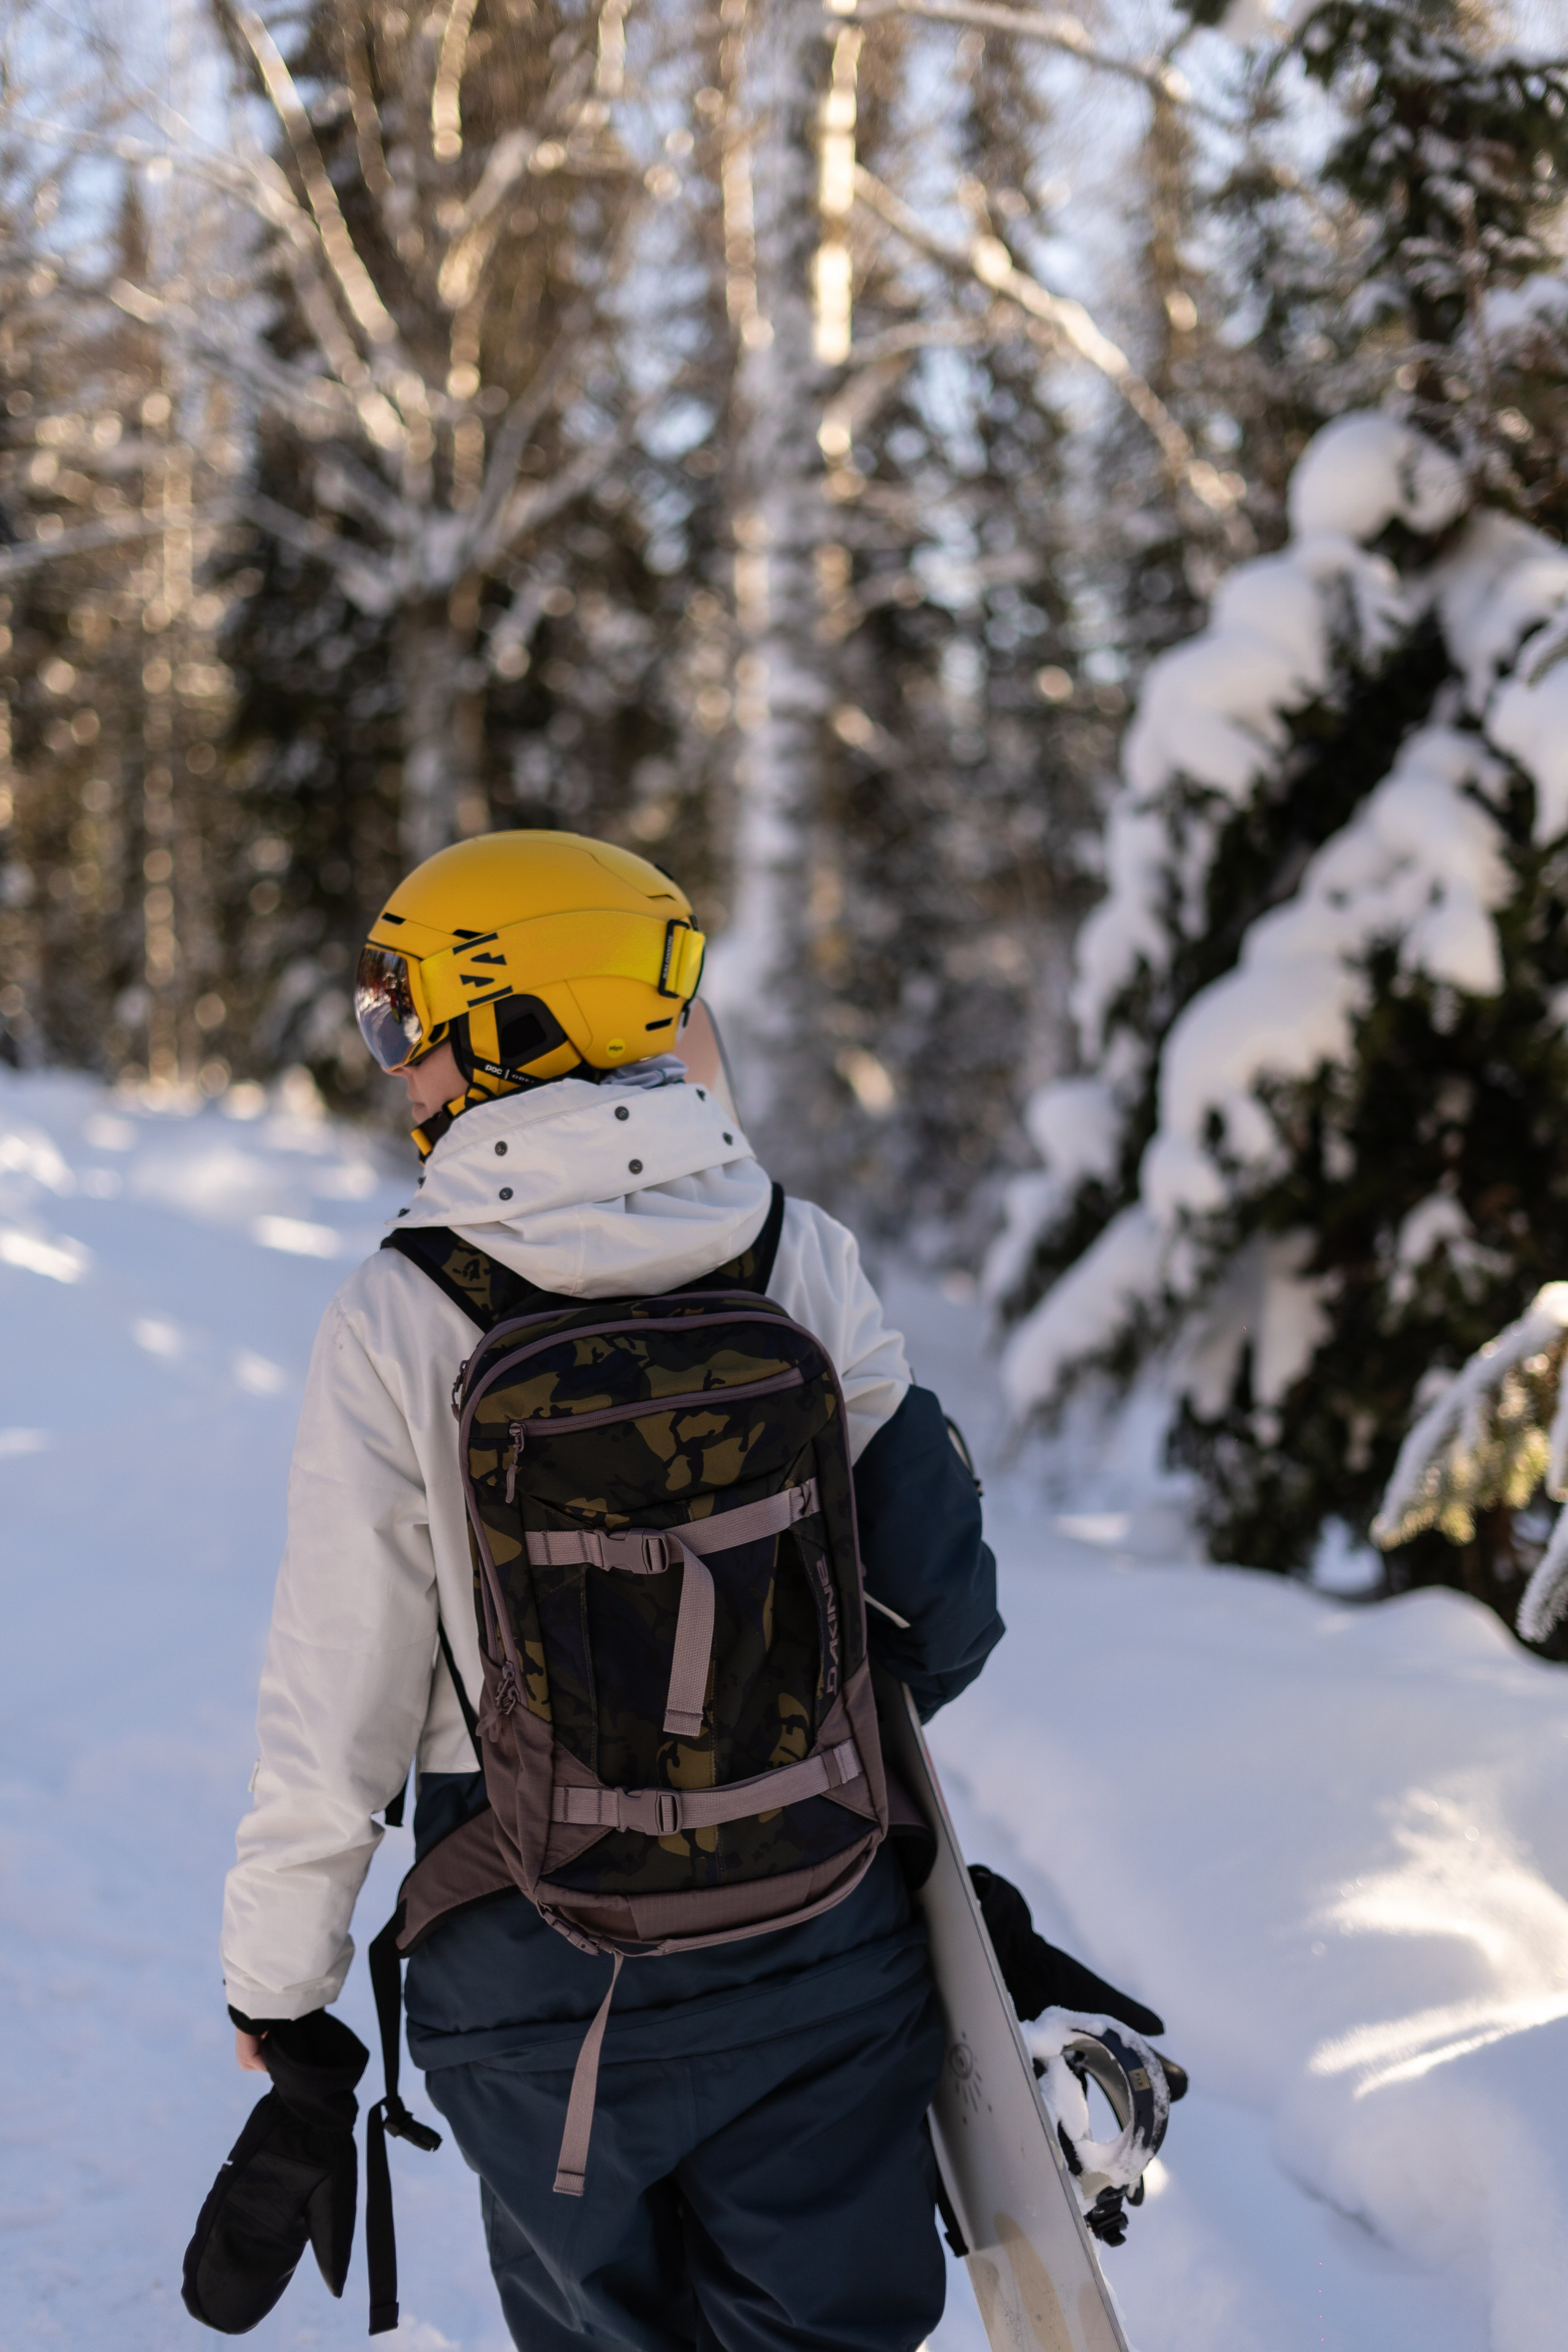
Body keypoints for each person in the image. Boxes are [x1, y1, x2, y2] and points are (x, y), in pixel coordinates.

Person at [220, 829, 1003, 2352]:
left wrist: (281, 1990)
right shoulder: (793, 1251)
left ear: (516, 1025)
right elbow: (942, 1608)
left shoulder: (402, 1309)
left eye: (404, 1020)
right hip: (818, 1933)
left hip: (532, 1963)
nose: (393, 1063)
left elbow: (341, 1703)